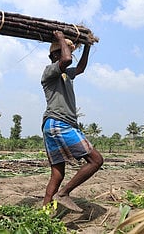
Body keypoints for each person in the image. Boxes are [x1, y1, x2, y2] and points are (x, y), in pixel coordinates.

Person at [41, 30, 103, 212]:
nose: (68, 54)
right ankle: (63, 194)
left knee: (57, 173)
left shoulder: (66, 74)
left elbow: (80, 68)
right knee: (96, 160)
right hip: (59, 123)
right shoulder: (49, 71)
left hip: (53, 125)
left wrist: (87, 46)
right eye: (63, 50)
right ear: (54, 55)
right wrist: (61, 38)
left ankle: (44, 213)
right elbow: (67, 60)